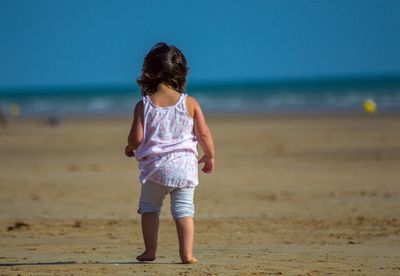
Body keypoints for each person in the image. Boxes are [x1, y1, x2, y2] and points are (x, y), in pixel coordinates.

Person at [125, 42, 215, 264]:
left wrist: (129, 148)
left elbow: (136, 138)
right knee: (184, 210)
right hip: (184, 169)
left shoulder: (143, 105)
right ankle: (187, 254)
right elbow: (204, 134)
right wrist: (209, 156)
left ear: (148, 72)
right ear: (181, 72)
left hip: (155, 171)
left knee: (149, 209)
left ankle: (150, 251)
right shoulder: (190, 103)